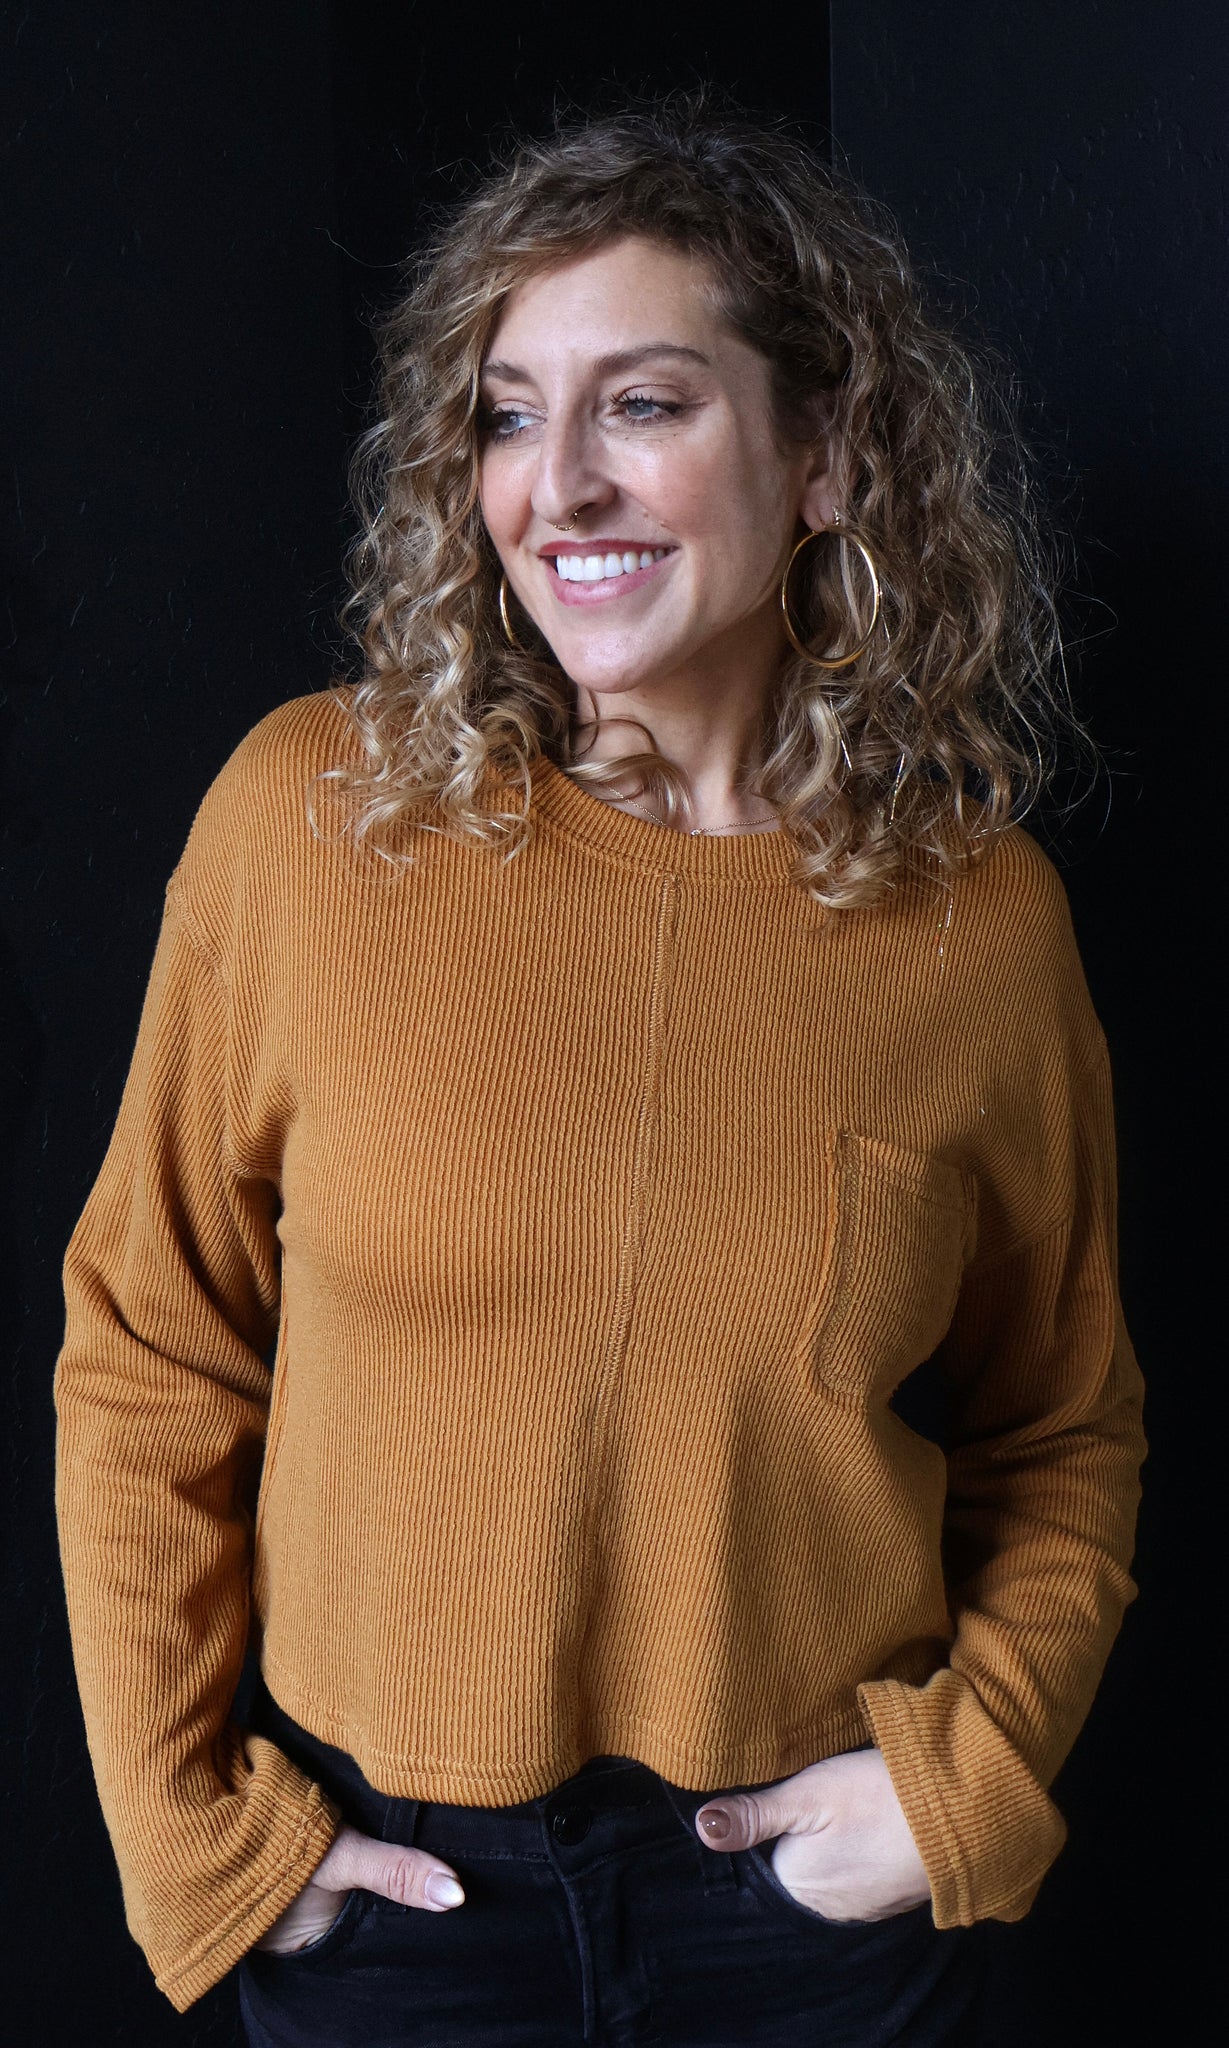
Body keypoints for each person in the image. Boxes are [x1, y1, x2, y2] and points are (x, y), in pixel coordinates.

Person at [54, 99, 1145, 2047]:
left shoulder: (979, 921)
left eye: (642, 404)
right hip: (392, 1919)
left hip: (806, 1931)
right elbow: (150, 1356)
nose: (556, 484)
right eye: (504, 415)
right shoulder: (311, 819)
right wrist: (195, 1838)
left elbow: (1061, 1424)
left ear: (825, 457)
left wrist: (966, 1779)